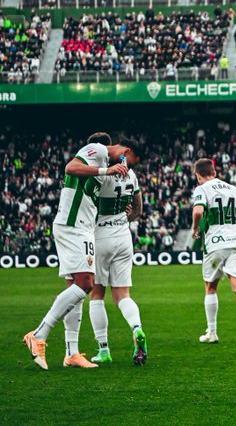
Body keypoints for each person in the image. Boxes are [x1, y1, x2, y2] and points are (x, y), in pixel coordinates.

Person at [23, 137, 139, 370]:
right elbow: (70, 167)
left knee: (74, 288)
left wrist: (122, 206)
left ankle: (71, 353)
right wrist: (107, 168)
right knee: (86, 284)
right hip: (74, 226)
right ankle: (39, 334)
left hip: (82, 226)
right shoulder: (97, 150)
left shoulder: (102, 167)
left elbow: (98, 196)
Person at [191, 158, 236, 345]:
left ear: (198, 176)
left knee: (210, 287)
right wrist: (233, 224)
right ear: (214, 172)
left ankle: (212, 333)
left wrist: (195, 229)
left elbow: (198, 212)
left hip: (216, 244)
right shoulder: (231, 188)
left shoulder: (202, 189)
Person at [89, 150, 147, 365]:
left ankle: (103, 349)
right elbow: (138, 208)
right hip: (123, 236)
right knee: (122, 294)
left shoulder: (99, 175)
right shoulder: (131, 175)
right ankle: (136, 328)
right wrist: (126, 216)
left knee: (96, 294)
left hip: (100, 235)